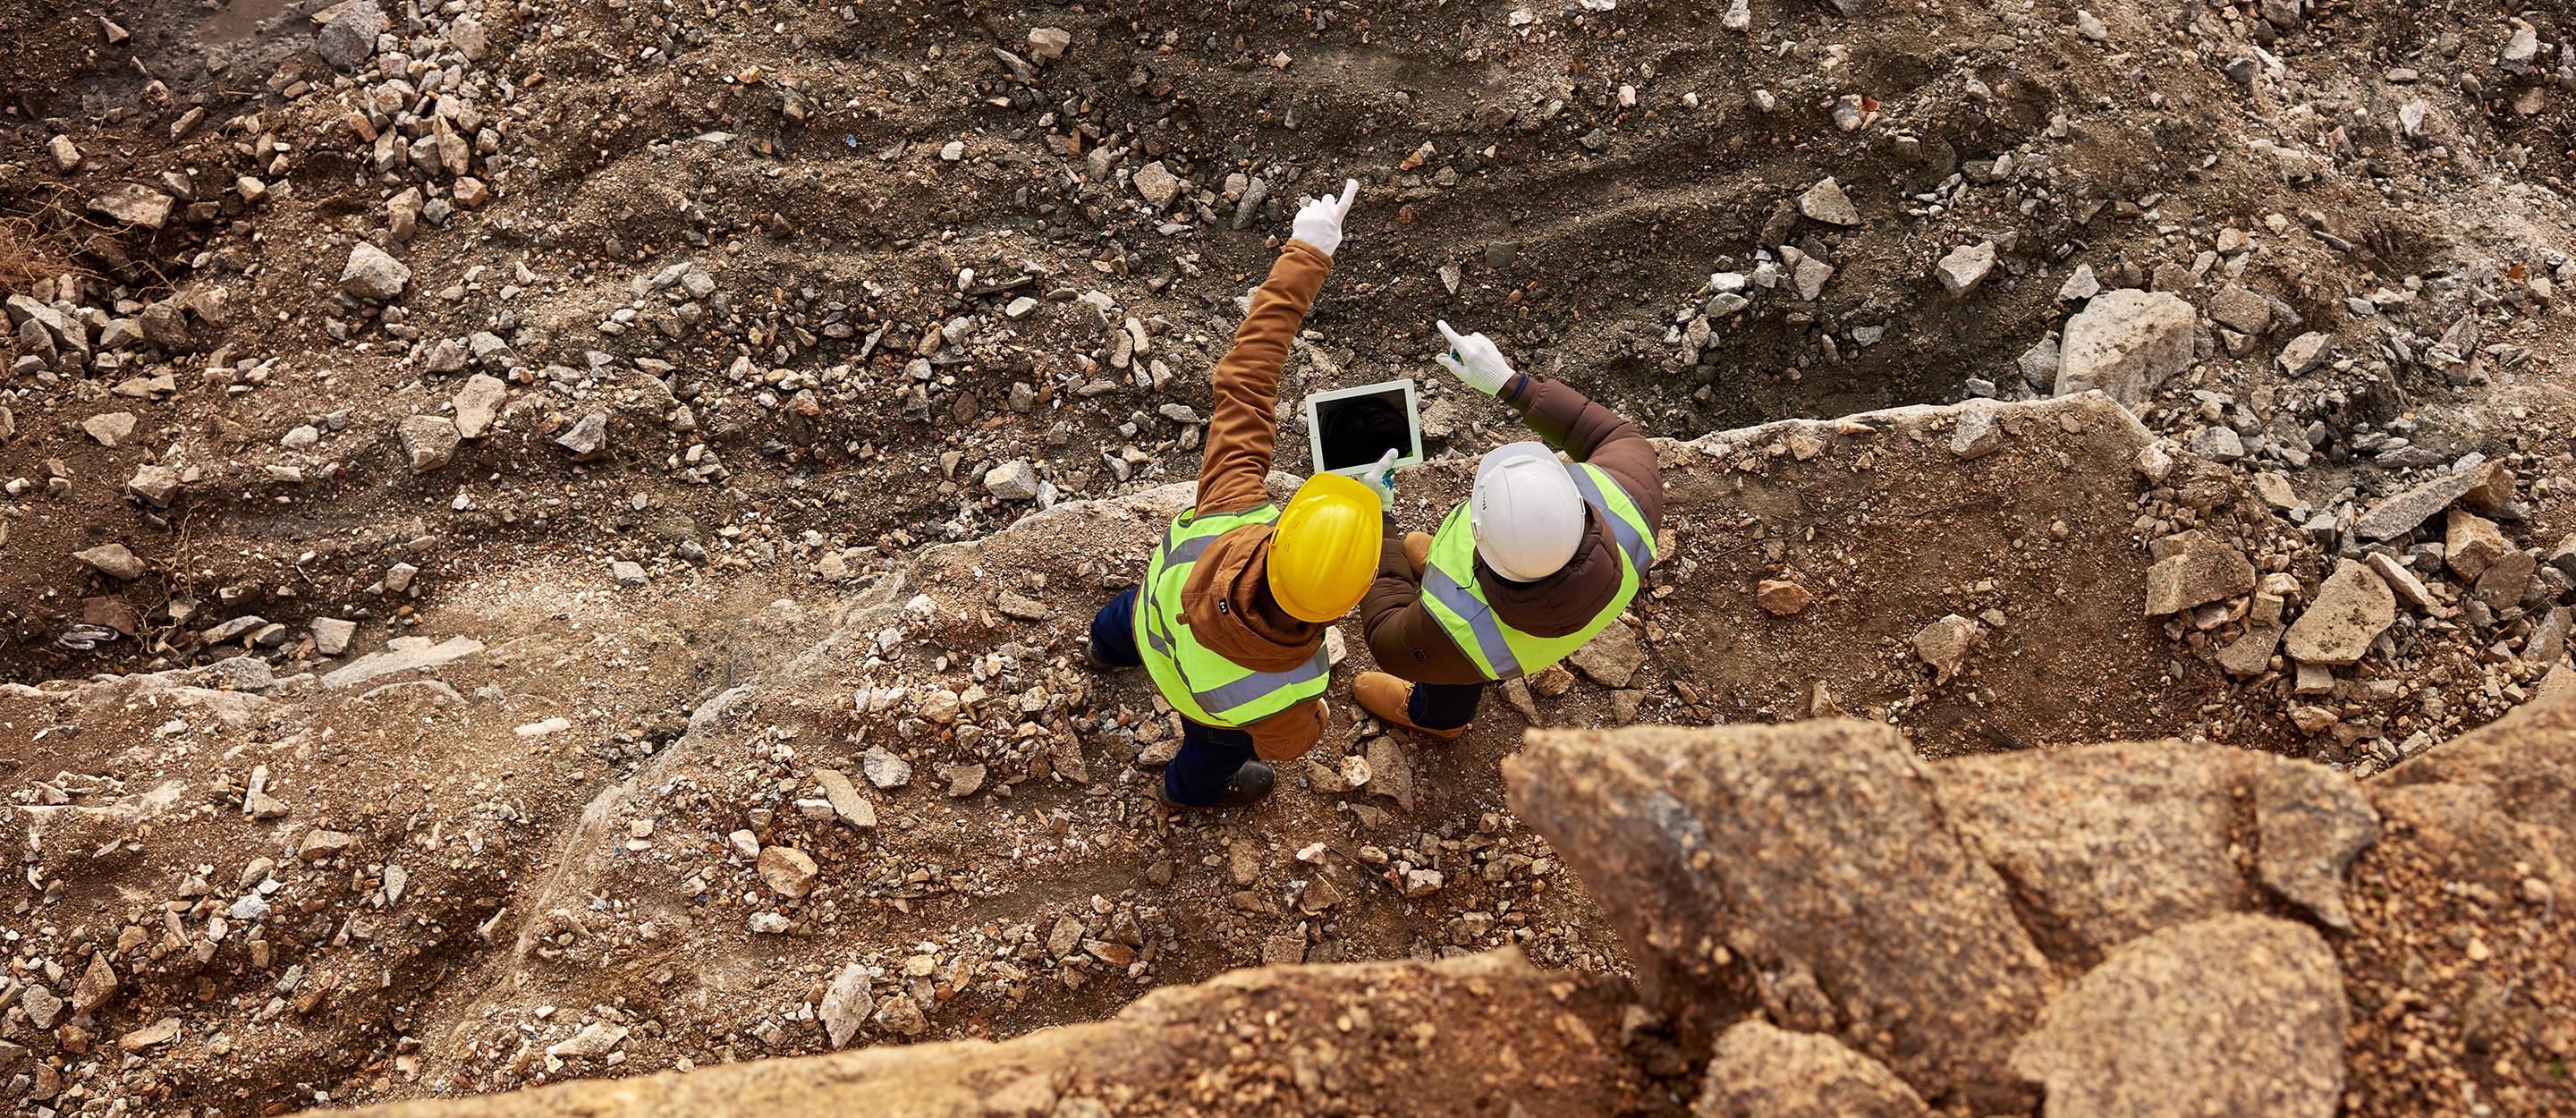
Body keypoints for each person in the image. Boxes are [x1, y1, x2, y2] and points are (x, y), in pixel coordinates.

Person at [1089, 180, 1392, 809]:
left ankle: (1106, 650)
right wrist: (1318, 724)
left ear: (1285, 530)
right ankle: (1190, 794)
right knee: (1214, 756)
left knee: (1122, 620)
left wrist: (1307, 252)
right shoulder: (1295, 682)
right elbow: (1287, 743)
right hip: (1204, 707)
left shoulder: (1233, 505)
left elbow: (1247, 376)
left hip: (1151, 621)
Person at [1354, 322, 1665, 739]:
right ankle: (1435, 574)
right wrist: (1510, 383)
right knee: (1455, 648)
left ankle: (1439, 720)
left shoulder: (1459, 628)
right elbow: (1610, 433)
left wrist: (1380, 520)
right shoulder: (1630, 504)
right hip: (1565, 608)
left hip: (1468, 645)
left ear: (1478, 543)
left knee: (1453, 674)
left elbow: (1385, 631)